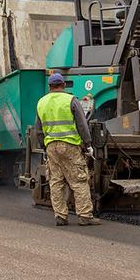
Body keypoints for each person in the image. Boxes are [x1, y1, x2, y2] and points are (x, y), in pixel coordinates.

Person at [34, 73, 101, 226]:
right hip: (70, 146)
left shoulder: (42, 102)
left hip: (51, 146)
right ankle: (85, 216)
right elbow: (82, 125)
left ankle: (60, 216)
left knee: (56, 181)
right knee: (78, 180)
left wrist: (44, 146)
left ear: (50, 86)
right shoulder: (71, 100)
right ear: (63, 85)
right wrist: (88, 144)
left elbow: (38, 130)